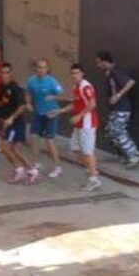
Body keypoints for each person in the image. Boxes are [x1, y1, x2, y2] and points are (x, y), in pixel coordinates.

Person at [51, 63, 102, 192]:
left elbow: (92, 104)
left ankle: (93, 179)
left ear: (82, 73)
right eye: (72, 73)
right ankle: (92, 170)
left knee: (87, 152)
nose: (74, 75)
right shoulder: (76, 87)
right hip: (79, 124)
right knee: (75, 149)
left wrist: (79, 116)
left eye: (77, 72)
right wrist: (60, 111)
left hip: (88, 124)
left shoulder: (86, 87)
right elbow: (75, 104)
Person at [95, 51, 139, 168]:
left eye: (99, 63)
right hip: (116, 108)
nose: (98, 66)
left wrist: (118, 95)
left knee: (118, 130)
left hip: (122, 108)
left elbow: (131, 82)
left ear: (105, 61)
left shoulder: (116, 71)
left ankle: (134, 154)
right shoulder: (111, 73)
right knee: (110, 132)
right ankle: (123, 155)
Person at [0, 62, 36, 184]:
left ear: (11, 73)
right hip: (7, 123)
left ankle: (19, 169)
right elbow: (2, 102)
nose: (4, 75)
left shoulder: (15, 88)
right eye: (2, 73)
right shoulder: (1, 86)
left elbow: (22, 106)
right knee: (15, 150)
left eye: (7, 72)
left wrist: (11, 118)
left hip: (16, 123)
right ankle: (32, 171)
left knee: (4, 147)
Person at [25, 58, 64, 178]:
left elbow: (62, 95)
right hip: (39, 113)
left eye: (43, 67)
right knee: (33, 137)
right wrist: (28, 103)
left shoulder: (52, 82)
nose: (41, 70)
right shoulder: (31, 81)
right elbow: (28, 92)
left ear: (47, 69)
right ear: (36, 69)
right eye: (39, 67)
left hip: (52, 114)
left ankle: (57, 167)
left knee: (49, 140)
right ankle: (36, 164)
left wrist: (53, 97)